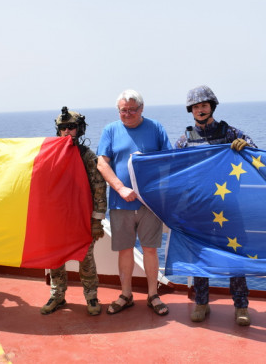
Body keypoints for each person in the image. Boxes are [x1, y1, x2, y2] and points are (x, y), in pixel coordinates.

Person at [175, 85, 255, 326]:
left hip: (229, 205)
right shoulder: (184, 140)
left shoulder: (231, 133)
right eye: (196, 107)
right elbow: (174, 171)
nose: (200, 110)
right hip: (198, 209)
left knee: (235, 256)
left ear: (212, 107)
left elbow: (256, 153)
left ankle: (241, 306)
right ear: (190, 110)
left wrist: (245, 146)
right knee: (200, 256)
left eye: (204, 105)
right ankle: (201, 302)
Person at [97, 90, 172, 316]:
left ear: (141, 109)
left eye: (132, 110)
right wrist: (120, 188)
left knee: (150, 250)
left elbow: (169, 159)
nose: (127, 114)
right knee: (125, 250)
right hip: (121, 203)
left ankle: (153, 295)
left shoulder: (155, 128)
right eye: (123, 110)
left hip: (149, 203)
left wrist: (147, 162)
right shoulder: (110, 130)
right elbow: (102, 163)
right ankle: (126, 295)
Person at [40, 107, 107, 316]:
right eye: (63, 128)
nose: (67, 131)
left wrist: (97, 220)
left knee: (86, 260)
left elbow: (99, 188)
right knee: (55, 259)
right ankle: (57, 295)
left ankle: (91, 296)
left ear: (80, 129)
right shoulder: (50, 154)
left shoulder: (87, 156)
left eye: (71, 127)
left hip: (82, 219)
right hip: (57, 218)